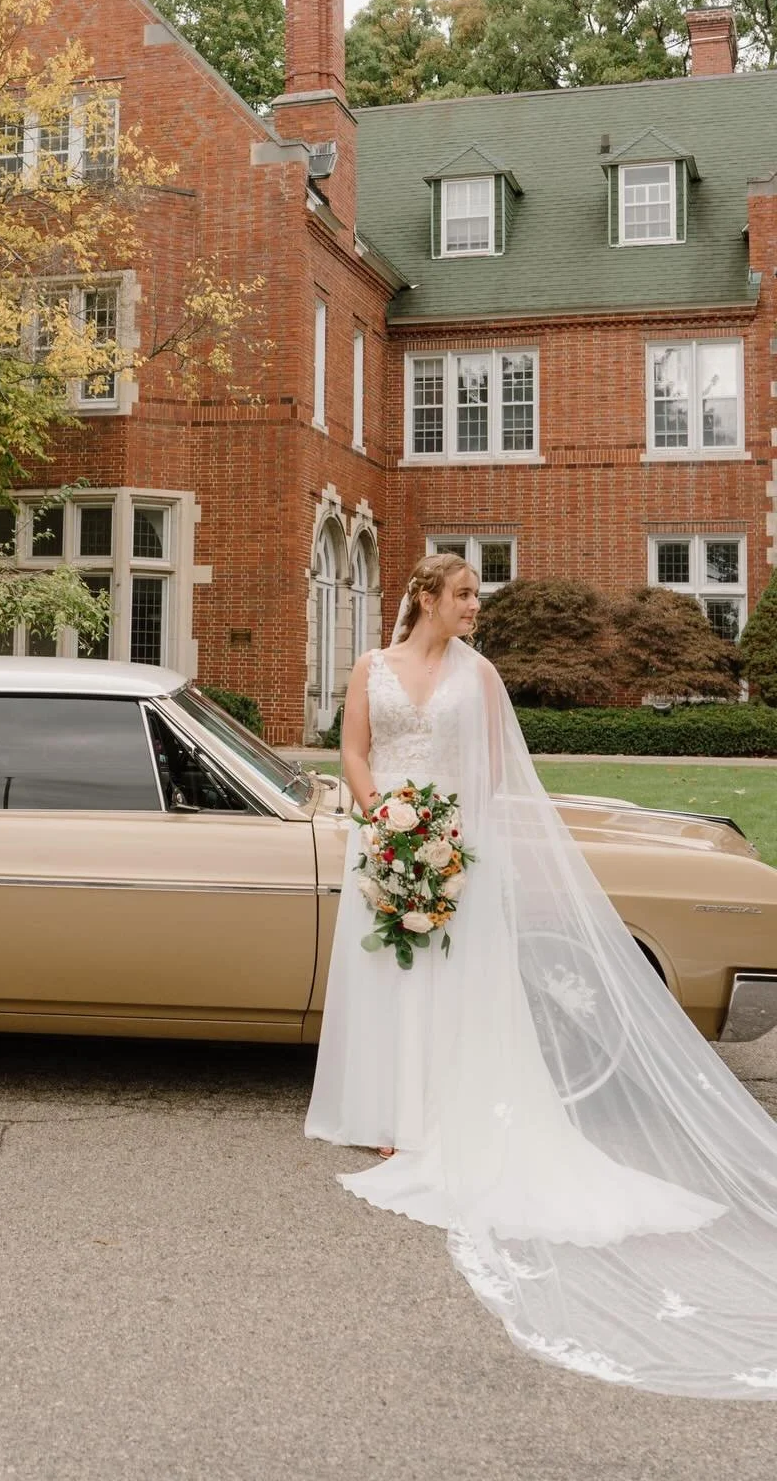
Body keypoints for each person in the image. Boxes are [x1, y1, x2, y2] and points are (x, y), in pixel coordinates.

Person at [306, 552, 777, 1397]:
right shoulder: (370, 667)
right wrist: (385, 821)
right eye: (460, 596)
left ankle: (444, 1112)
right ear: (424, 597)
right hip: (385, 842)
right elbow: (353, 750)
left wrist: (445, 842)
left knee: (453, 980)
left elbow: (490, 777)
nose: (472, 608)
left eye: (475, 597)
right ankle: (393, 1112)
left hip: (457, 848)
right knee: (392, 974)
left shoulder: (480, 677)